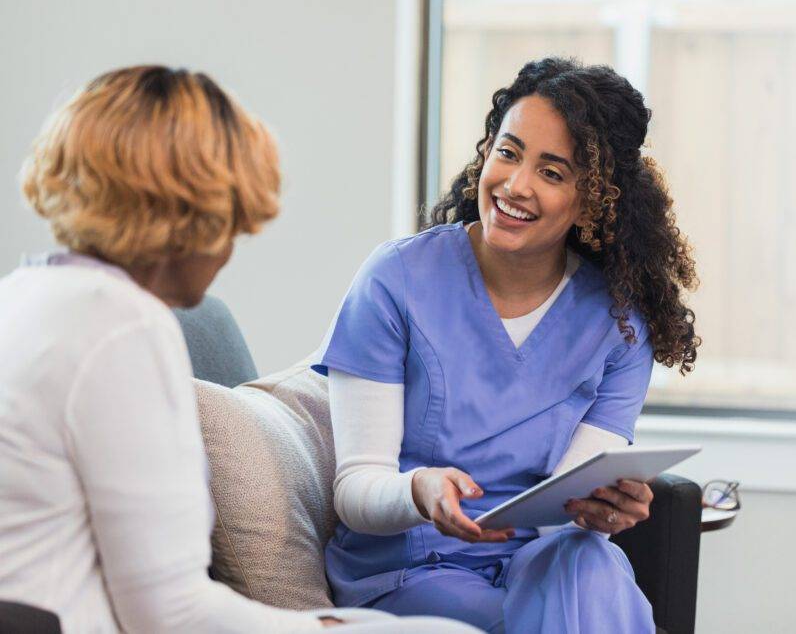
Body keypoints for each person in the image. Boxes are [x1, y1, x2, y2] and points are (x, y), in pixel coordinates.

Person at [0, 66, 476, 634]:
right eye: (231, 222)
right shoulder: (125, 328)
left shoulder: (24, 294)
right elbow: (169, 613)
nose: (229, 247)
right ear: (191, 215)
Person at [314, 57, 700, 633]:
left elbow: (565, 517)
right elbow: (355, 491)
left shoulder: (619, 324)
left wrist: (601, 512)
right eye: (509, 152)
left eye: (552, 171)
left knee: (589, 563)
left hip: (533, 564)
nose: (515, 185)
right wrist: (419, 491)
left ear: (593, 199)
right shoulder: (396, 280)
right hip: (411, 570)